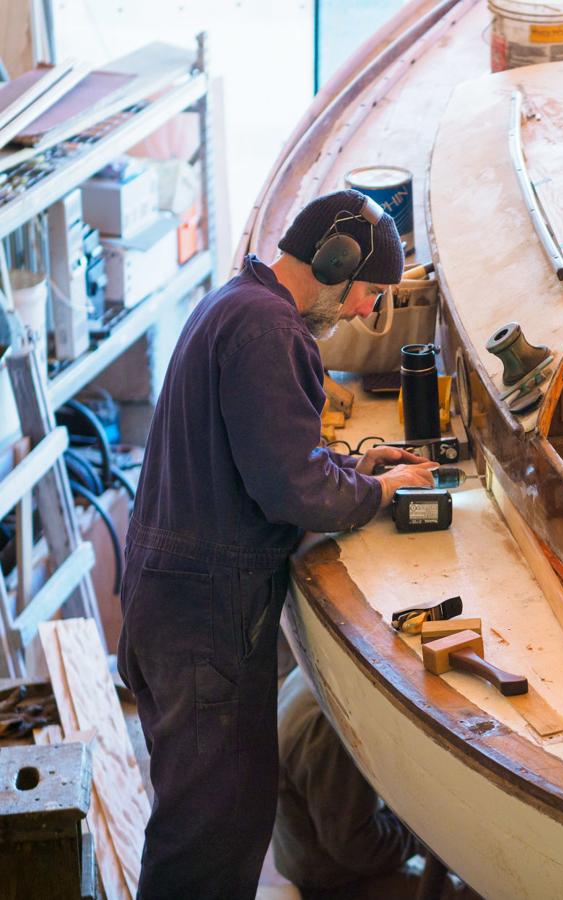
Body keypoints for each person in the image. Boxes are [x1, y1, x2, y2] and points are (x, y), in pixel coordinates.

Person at [118, 189, 437, 899]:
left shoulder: (237, 302)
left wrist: (355, 467)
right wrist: (379, 492)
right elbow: (295, 493)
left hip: (177, 599)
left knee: (212, 819)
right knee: (209, 835)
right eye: (370, 295)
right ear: (335, 262)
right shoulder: (271, 332)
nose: (365, 314)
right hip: (204, 620)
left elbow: (265, 462)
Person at [273, 667, 416, 899]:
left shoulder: (314, 669)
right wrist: (427, 836)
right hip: (331, 880)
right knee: (454, 892)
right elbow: (360, 848)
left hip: (304, 851)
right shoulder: (334, 730)